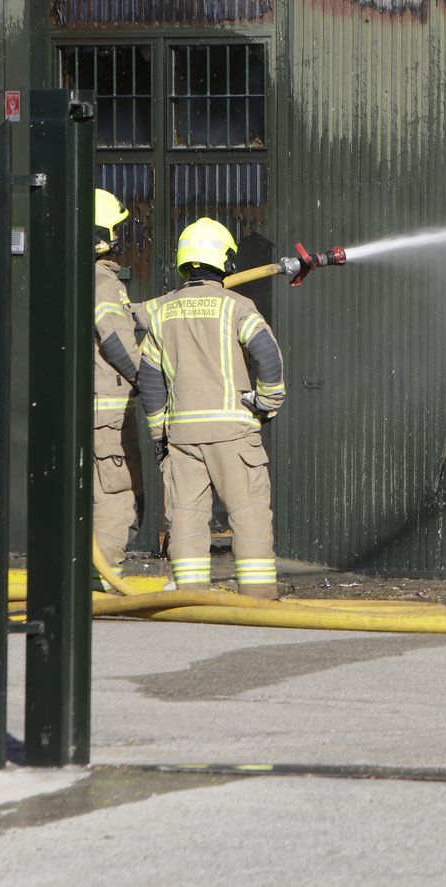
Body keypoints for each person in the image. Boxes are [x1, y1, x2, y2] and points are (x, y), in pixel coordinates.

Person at [138, 218, 286, 598]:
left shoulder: (163, 312)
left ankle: (191, 598)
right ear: (226, 261)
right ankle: (257, 597)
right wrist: (267, 401)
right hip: (232, 433)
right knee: (248, 513)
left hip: (182, 437)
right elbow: (267, 354)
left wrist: (160, 434)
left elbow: (150, 377)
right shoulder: (237, 306)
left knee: (186, 518)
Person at [91, 188, 143, 586]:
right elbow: (114, 339)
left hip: (86, 407)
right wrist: (147, 378)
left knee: (92, 495)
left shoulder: (73, 276)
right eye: (115, 229)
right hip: (107, 412)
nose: (119, 237)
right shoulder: (101, 281)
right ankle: (104, 580)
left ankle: (86, 576)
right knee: (116, 496)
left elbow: (119, 319)